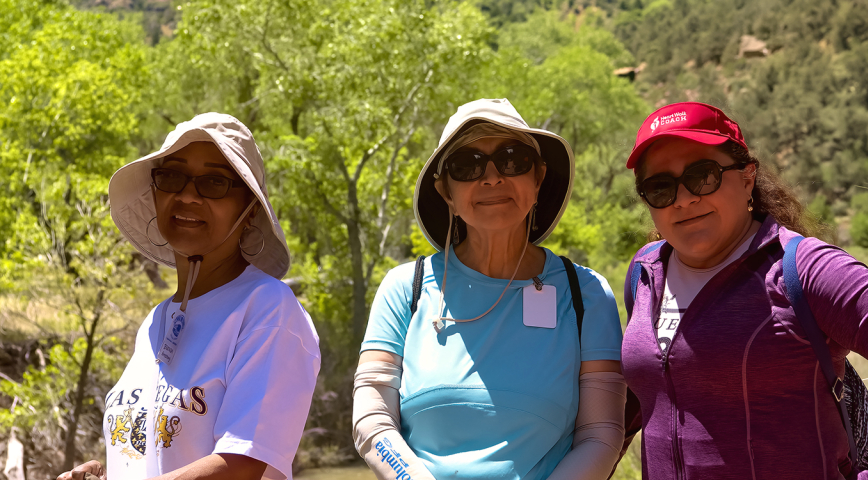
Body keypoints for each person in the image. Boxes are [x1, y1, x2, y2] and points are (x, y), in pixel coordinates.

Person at [619, 101, 868, 479]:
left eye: (703, 176)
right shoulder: (645, 272)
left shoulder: (805, 269)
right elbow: (649, 391)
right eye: (660, 187)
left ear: (746, 178)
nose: (684, 198)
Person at [353, 98, 625, 480]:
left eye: (513, 160)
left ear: (539, 177)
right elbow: (372, 420)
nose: (492, 177)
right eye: (467, 165)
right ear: (445, 191)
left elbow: (601, 434)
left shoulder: (587, 295)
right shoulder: (405, 289)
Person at [58, 113, 320, 480]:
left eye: (214, 182)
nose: (186, 195)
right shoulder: (155, 322)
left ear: (250, 210)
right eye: (172, 177)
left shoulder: (267, 309)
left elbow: (241, 465)